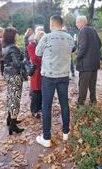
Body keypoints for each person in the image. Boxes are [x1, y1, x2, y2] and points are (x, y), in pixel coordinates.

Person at [35, 15, 73, 147]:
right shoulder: (69, 38)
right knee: (64, 104)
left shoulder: (47, 37)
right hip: (63, 75)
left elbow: (37, 52)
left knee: (46, 106)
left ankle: (46, 138)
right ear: (61, 24)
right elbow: (70, 51)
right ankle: (66, 133)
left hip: (49, 77)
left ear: (52, 24)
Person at [2, 27, 25, 135]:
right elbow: (17, 64)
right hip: (14, 74)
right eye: (15, 34)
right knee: (15, 98)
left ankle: (10, 118)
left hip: (7, 73)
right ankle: (13, 124)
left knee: (10, 96)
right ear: (12, 36)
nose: (17, 36)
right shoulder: (13, 48)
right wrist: (23, 60)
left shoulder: (5, 47)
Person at [76, 16, 101, 106]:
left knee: (83, 86)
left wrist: (78, 57)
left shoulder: (83, 31)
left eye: (77, 22)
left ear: (83, 22)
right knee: (92, 86)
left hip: (85, 65)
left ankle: (80, 105)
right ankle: (93, 103)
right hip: (94, 63)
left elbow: (83, 47)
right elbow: (99, 43)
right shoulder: (93, 30)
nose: (76, 24)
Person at [27, 31, 45, 118]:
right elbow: (34, 59)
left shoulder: (41, 45)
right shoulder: (31, 46)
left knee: (41, 91)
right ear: (38, 38)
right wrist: (44, 59)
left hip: (43, 70)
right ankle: (34, 110)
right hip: (36, 71)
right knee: (35, 92)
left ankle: (39, 107)